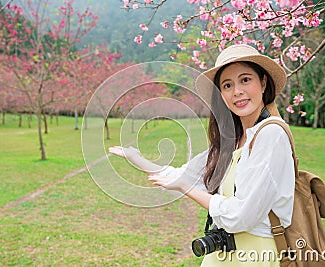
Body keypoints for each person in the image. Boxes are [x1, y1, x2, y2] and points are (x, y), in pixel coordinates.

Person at [109, 44, 295, 266]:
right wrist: (138, 159)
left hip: (254, 256)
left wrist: (185, 188)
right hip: (221, 255)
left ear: (263, 83)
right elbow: (184, 175)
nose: (237, 91)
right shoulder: (233, 142)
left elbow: (241, 216)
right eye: (227, 85)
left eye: (245, 80)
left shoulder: (271, 134)